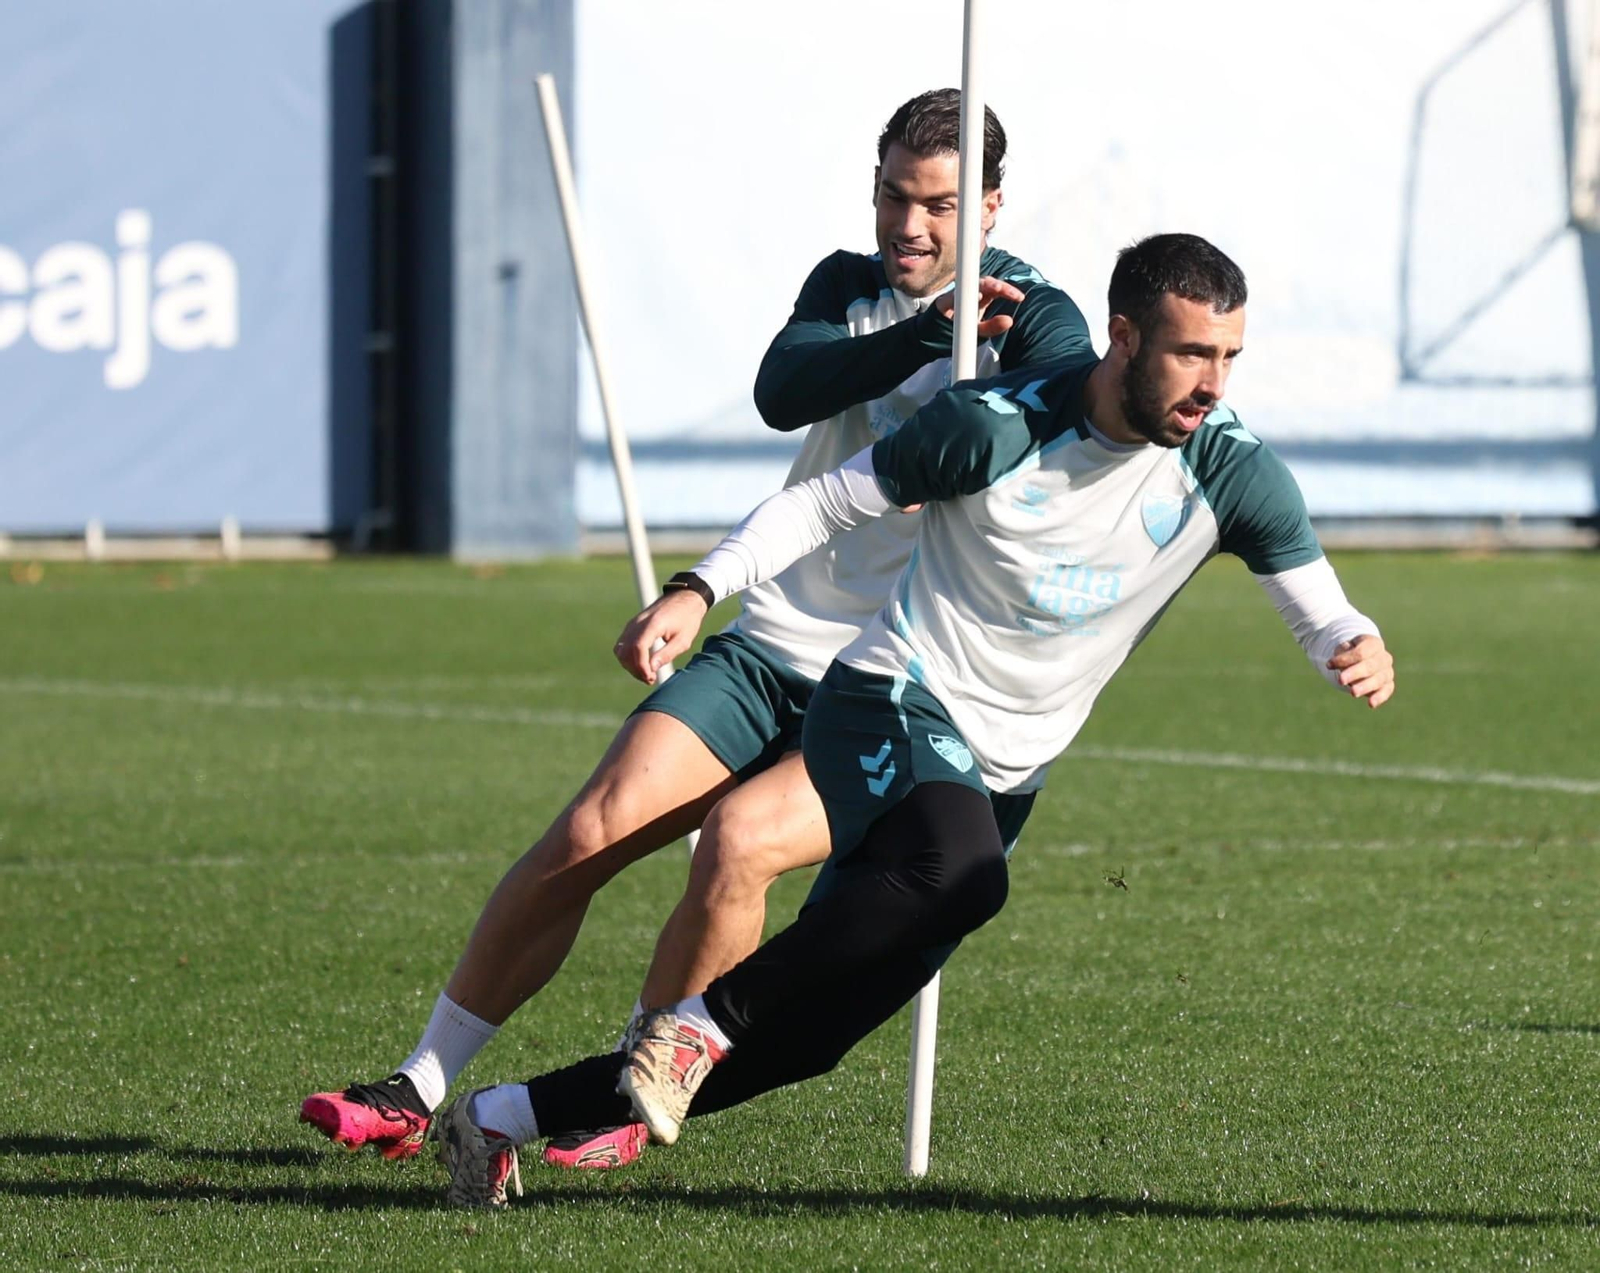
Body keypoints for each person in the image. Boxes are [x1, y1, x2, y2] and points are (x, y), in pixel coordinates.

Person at [431, 232, 1397, 1207]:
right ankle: (696, 1021)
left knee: (803, 1041)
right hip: (889, 699)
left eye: (1228, 356)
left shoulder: (1228, 468)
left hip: (1004, 769)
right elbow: (818, 506)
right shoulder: (991, 429)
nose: (1212, 382)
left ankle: (496, 1119)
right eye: (1191, 353)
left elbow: (1318, 605)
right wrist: (698, 585)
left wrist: (1350, 643)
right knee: (962, 874)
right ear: (1123, 337)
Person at [300, 87, 1091, 1171]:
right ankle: (419, 1083)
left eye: (941, 206)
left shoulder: (1038, 315)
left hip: (898, 685)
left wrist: (976, 418)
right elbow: (784, 387)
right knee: (592, 829)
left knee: (737, 856)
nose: (910, 226)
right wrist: (917, 337)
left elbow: (1055, 408)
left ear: (992, 207)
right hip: (772, 642)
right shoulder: (849, 288)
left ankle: (621, 1094)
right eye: (894, 197)